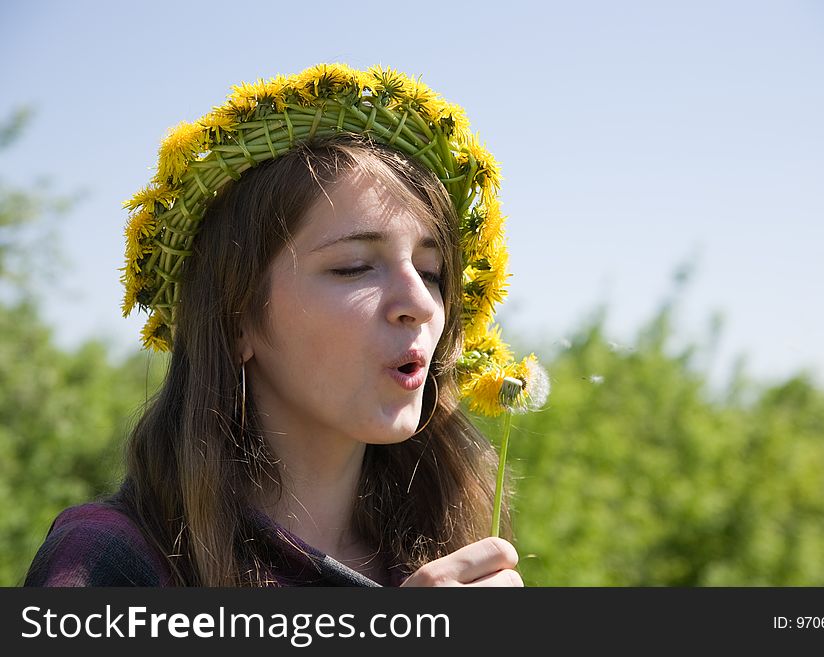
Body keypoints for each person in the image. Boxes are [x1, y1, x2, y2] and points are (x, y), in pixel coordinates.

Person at [24, 63, 545, 587]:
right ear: (236, 319)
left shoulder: (459, 547)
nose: (420, 302)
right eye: (353, 267)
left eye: (431, 272)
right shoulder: (109, 561)